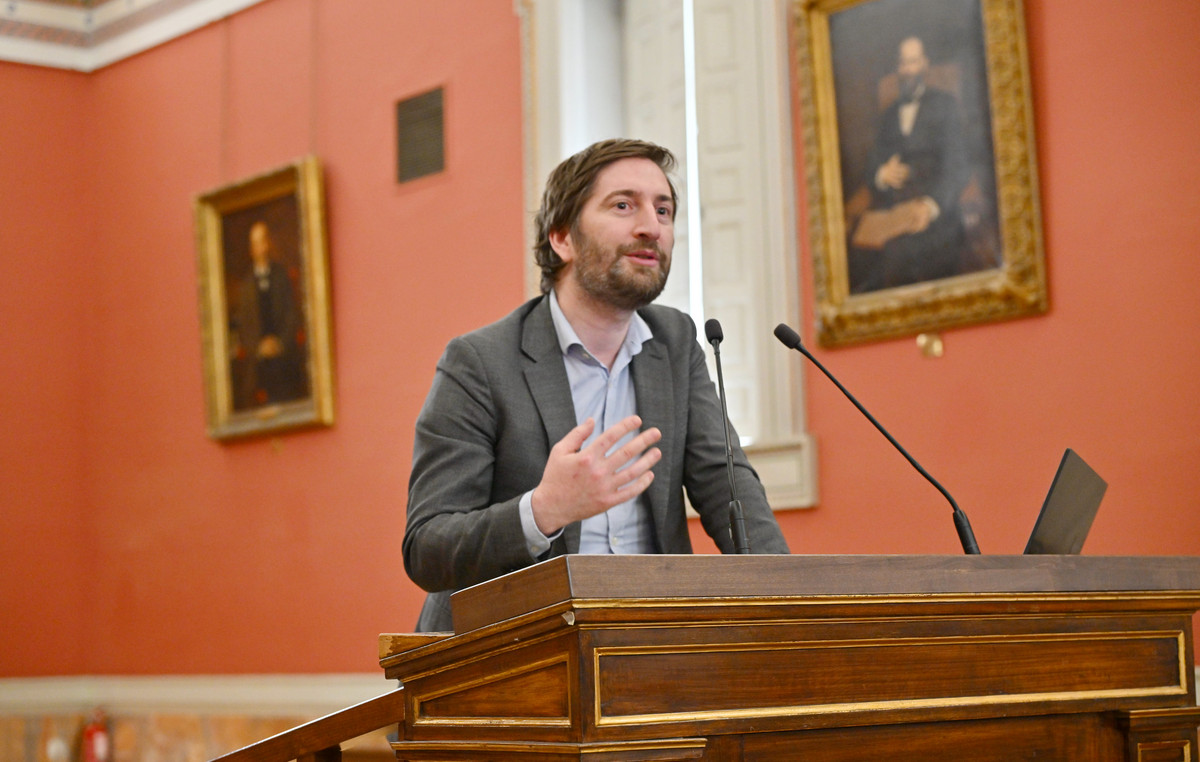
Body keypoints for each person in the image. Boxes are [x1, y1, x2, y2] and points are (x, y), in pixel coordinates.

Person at [403, 138, 789, 632]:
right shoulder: (480, 362)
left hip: (644, 637)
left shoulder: (675, 342)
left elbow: (727, 486)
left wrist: (792, 603)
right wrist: (543, 510)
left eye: (664, 210)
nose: (651, 226)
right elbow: (428, 547)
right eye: (624, 206)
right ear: (562, 238)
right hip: (513, 644)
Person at [847, 36, 971, 293]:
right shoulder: (889, 115)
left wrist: (930, 206)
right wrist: (881, 174)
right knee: (856, 257)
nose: (907, 70)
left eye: (913, 62)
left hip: (937, 212)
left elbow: (958, 167)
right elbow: (872, 165)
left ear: (925, 64)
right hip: (894, 213)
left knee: (899, 257)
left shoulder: (945, 105)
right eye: (902, 63)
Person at [231, 221, 307, 409]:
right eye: (256, 243)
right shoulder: (246, 287)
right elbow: (244, 328)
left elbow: (292, 315)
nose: (261, 248)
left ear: (268, 243)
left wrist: (279, 343)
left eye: (263, 241)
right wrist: (259, 347)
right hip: (258, 367)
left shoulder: (282, 276)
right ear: (251, 249)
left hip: (284, 361)